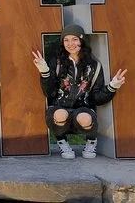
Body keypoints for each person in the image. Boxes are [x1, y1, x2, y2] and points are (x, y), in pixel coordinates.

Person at [32, 24, 127, 159]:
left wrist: (113, 85)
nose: (70, 44)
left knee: (85, 117)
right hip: (59, 107)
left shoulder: (94, 66)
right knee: (59, 114)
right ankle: (62, 142)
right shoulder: (57, 62)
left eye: (74, 39)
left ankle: (91, 141)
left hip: (83, 109)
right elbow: (49, 93)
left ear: (82, 40)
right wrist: (45, 72)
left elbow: (97, 98)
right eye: (66, 40)